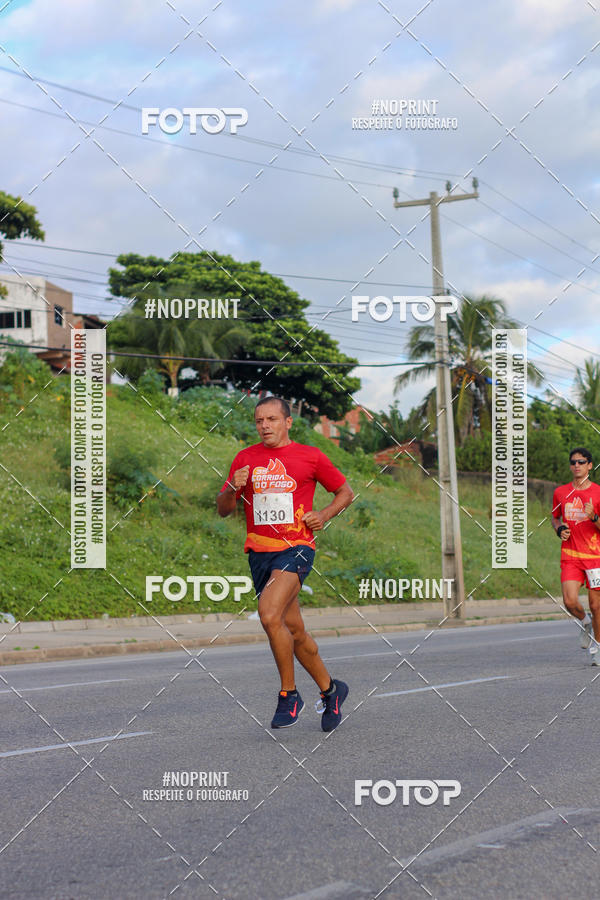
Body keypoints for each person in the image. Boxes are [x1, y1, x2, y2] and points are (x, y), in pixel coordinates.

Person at [217, 396, 354, 729]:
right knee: (293, 630)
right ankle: (331, 690)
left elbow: (345, 492)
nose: (265, 426)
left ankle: (289, 695)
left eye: (272, 420)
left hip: (296, 547)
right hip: (260, 552)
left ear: (288, 422)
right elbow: (223, 509)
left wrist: (323, 514)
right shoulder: (245, 458)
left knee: (268, 614)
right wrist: (233, 489)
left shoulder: (310, 456)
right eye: (259, 421)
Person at [551, 447, 600, 665]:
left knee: (596, 605)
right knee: (570, 601)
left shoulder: (598, 493)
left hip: (595, 557)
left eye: (581, 462)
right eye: (573, 462)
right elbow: (555, 517)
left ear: (590, 465)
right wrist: (559, 529)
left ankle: (598, 646)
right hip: (570, 554)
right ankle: (585, 622)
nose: (576, 466)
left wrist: (594, 517)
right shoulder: (561, 492)